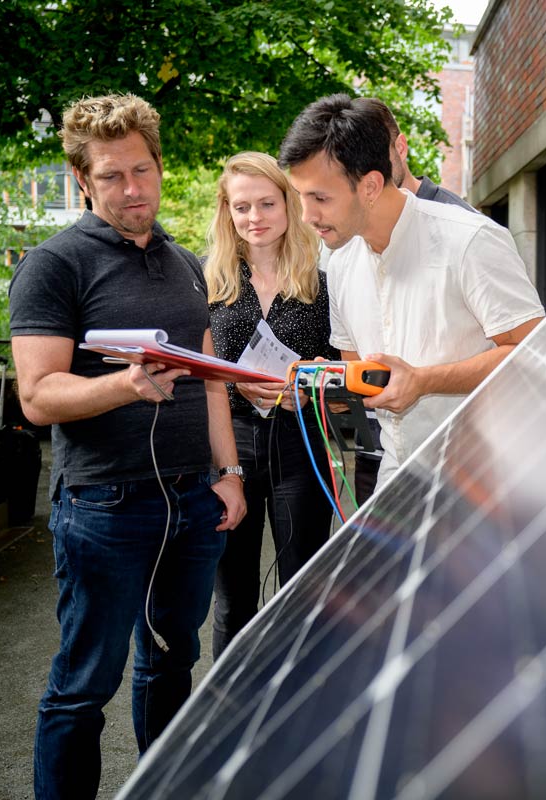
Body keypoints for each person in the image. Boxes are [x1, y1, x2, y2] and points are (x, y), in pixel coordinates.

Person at [8, 93, 246, 800]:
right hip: (103, 506)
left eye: (142, 170)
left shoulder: (186, 264)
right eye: (112, 177)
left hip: (190, 500)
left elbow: (208, 382)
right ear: (83, 180)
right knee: (85, 687)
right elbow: (37, 394)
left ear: (160, 167)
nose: (132, 189)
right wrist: (124, 386)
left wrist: (228, 473)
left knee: (172, 666)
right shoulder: (53, 266)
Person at [278, 94, 545, 488]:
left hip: (486, 479)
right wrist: (319, 382)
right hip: (395, 478)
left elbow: (534, 354)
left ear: (369, 185)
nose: (306, 216)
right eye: (301, 197)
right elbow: (360, 379)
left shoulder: (469, 240)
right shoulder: (339, 262)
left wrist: (425, 380)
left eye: (319, 197)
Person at [204, 151, 338, 658]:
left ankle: (298, 711)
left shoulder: (324, 282)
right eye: (242, 207)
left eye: (266, 203)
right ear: (227, 212)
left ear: (288, 204)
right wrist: (238, 389)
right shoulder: (209, 284)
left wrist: (314, 382)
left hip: (300, 445)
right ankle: (232, 713)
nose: (254, 217)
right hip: (230, 449)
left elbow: (345, 369)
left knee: (302, 591)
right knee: (233, 599)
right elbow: (201, 373)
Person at [349, 98, 479, 503]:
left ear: (400, 148)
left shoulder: (461, 227)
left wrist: (423, 381)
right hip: (384, 450)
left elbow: (519, 346)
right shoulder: (347, 248)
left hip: (462, 463)